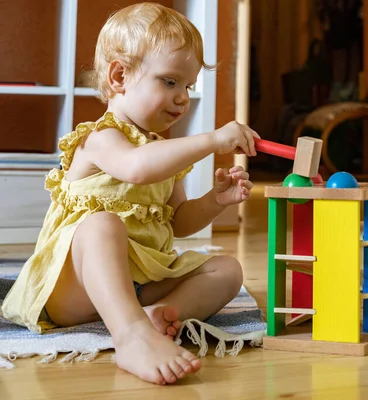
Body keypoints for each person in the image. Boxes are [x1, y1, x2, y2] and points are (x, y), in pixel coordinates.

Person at [1, 2, 259, 385]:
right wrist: (210, 140)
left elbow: (179, 221)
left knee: (227, 269)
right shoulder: (101, 138)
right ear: (119, 76)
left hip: (141, 285)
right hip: (74, 291)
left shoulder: (160, 152)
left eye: (187, 86)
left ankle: (160, 317)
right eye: (170, 82)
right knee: (102, 225)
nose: (183, 97)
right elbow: (137, 168)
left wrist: (214, 202)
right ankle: (129, 335)